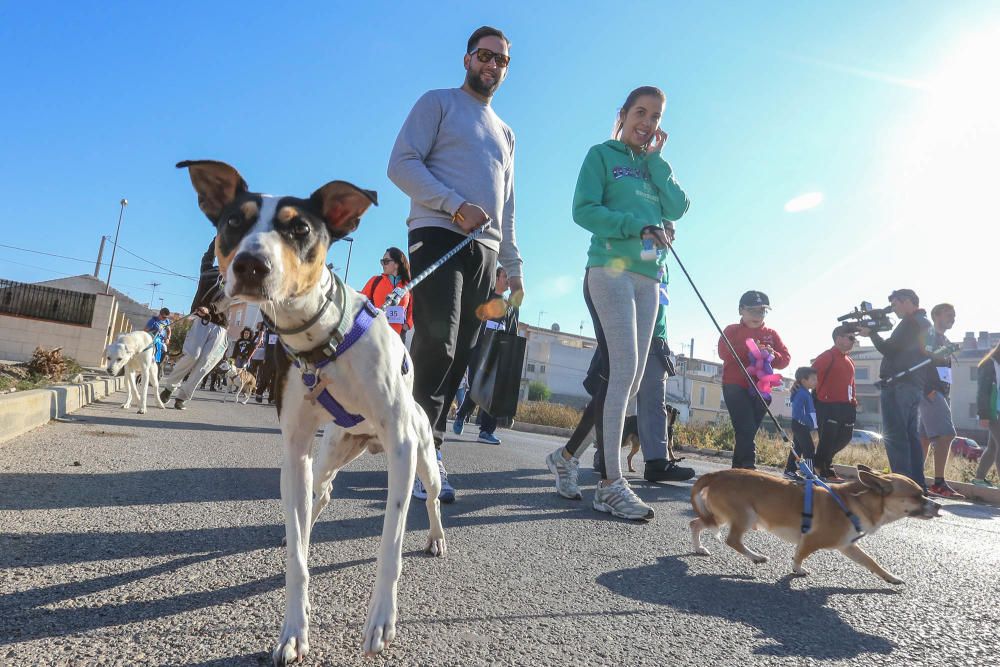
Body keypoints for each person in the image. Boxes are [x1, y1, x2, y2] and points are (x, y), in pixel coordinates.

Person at [387, 25, 525, 503]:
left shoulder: (506, 133)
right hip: (439, 233)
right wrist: (452, 205)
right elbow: (400, 163)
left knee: (463, 353)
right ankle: (413, 455)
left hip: (485, 253)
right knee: (438, 344)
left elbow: (507, 208)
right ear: (467, 59)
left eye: (501, 61)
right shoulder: (438, 103)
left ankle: (433, 448)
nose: (492, 65)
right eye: (485, 56)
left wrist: (514, 266)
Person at [546, 85, 689, 521]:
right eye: (640, 113)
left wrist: (658, 166)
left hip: (649, 278)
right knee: (623, 371)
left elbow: (679, 207)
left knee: (626, 377)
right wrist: (635, 226)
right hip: (608, 271)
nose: (647, 123)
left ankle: (567, 459)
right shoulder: (601, 155)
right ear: (623, 114)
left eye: (656, 117)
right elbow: (583, 210)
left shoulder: (653, 168)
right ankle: (610, 484)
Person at [858, 288, 932, 489]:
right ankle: (917, 485)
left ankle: (902, 487)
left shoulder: (910, 323)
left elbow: (889, 349)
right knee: (911, 438)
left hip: (899, 384)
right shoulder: (924, 322)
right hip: (913, 385)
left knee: (896, 437)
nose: (893, 309)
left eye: (895, 304)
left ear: (907, 301)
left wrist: (871, 334)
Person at [718, 290, 791, 469]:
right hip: (735, 386)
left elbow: (785, 359)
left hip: (762, 389)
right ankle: (749, 466)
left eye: (762, 311)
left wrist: (773, 355)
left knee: (747, 430)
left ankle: (737, 469)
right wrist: (749, 350)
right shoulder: (731, 330)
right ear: (741, 310)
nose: (757, 315)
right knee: (746, 426)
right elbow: (723, 353)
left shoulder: (771, 334)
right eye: (752, 310)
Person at [159, 241, 230, 410]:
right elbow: (208, 255)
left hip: (220, 326)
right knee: (192, 355)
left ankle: (182, 397)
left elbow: (227, 300)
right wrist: (218, 237)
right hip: (201, 321)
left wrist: (211, 308)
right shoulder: (207, 271)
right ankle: (169, 387)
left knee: (205, 363)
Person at [452, 266, 517, 445]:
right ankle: (462, 413)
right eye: (505, 276)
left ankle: (486, 431)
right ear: (496, 277)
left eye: (509, 278)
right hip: (479, 351)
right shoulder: (484, 297)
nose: (508, 281)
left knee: (493, 391)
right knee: (477, 388)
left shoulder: (509, 306)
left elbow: (511, 331)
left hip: (497, 353)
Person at [917, 303, 964, 498]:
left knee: (924, 438)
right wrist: (928, 389)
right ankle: (939, 483)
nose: (952, 318)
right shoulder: (929, 335)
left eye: (954, 315)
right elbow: (921, 360)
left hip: (941, 392)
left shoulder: (944, 339)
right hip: (931, 391)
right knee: (946, 435)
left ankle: (914, 481)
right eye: (948, 315)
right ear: (935, 315)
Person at [811, 325, 858, 482]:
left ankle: (818, 462)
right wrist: (799, 387)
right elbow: (810, 374)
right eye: (851, 337)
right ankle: (825, 469)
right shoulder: (827, 356)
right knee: (828, 438)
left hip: (847, 406)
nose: (854, 341)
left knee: (845, 437)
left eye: (854, 338)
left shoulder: (849, 360)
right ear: (839, 338)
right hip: (827, 405)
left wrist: (853, 402)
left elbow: (851, 384)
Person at [360, 247, 413, 341]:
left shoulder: (408, 286)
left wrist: (408, 324)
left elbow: (413, 308)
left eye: (386, 261)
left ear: (396, 264)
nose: (382, 265)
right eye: (382, 261)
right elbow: (360, 302)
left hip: (398, 337)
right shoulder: (375, 281)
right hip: (375, 334)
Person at [972, 340, 1000, 488]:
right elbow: (982, 391)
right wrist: (983, 414)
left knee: (993, 447)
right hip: (992, 412)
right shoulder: (989, 364)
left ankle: (979, 479)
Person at [783, 367, 819, 481]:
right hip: (800, 424)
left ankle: (789, 470)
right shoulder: (802, 394)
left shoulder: (805, 392)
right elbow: (797, 412)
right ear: (804, 380)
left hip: (801, 425)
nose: (816, 382)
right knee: (809, 448)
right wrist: (806, 422)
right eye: (813, 379)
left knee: (797, 448)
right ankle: (809, 473)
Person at [254, 323, 280, 404]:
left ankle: (272, 398)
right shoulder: (268, 332)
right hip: (268, 358)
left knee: (275, 379)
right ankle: (259, 393)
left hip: (279, 359)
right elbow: (263, 325)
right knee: (266, 377)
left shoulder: (283, 333)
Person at [144, 307, 172, 378]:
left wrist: (168, 338)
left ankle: (159, 365)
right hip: (153, 339)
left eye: (166, 318)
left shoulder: (167, 321)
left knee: (164, 349)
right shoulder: (153, 321)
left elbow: (169, 330)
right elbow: (145, 331)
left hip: (161, 341)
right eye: (164, 317)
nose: (165, 319)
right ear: (160, 314)